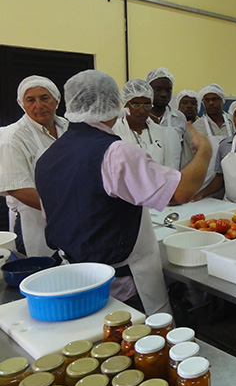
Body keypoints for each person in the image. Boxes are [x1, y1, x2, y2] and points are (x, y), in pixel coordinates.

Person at [34, 70, 212, 315]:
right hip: (123, 285)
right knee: (139, 344)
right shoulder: (115, 153)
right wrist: (204, 150)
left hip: (74, 279)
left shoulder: (47, 158)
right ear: (116, 104)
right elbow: (180, 192)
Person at [0, 76, 68, 256]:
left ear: (56, 99)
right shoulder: (14, 137)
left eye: (44, 98)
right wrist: (63, 209)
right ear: (22, 104)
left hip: (71, 214)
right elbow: (18, 188)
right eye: (30, 100)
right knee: (44, 272)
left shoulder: (69, 128)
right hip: (33, 220)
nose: (38, 105)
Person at [112, 79, 181, 169]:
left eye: (147, 105)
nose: (142, 111)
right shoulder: (113, 132)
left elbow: (170, 170)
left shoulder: (162, 134)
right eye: (136, 105)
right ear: (126, 105)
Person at [192, 83, 236, 187]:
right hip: (206, 180)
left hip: (232, 178)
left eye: (215, 99)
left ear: (222, 100)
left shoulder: (233, 122)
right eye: (207, 100)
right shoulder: (196, 127)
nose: (211, 103)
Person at [145, 67, 188, 139]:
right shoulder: (140, 117)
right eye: (158, 89)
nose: (164, 94)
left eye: (168, 90)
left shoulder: (179, 118)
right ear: (148, 89)